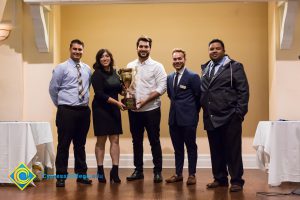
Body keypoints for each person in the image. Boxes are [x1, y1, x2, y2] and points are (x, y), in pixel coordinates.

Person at [200, 39, 249, 192]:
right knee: (216, 150)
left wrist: (239, 113)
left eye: (217, 48)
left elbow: (243, 91)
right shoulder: (206, 68)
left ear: (223, 50)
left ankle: (236, 181)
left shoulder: (235, 67)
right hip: (211, 116)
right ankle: (220, 178)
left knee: (232, 150)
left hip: (230, 116)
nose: (214, 51)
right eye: (211, 49)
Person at [49, 39, 92, 187]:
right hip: (66, 111)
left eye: (80, 49)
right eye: (75, 49)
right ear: (70, 49)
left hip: (84, 112)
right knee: (63, 144)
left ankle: (82, 175)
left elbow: (88, 88)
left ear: (83, 51)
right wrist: (61, 105)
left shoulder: (87, 69)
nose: (77, 52)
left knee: (80, 145)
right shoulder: (61, 68)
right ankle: (61, 176)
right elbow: (53, 89)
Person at [126, 35, 167, 183]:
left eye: (146, 47)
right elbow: (127, 87)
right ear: (137, 47)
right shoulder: (129, 65)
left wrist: (144, 101)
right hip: (134, 111)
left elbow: (162, 87)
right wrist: (127, 99)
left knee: (154, 141)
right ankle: (138, 170)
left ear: (150, 48)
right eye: (141, 46)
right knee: (136, 141)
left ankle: (157, 172)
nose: (143, 49)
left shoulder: (157, 66)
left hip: (152, 110)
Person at [165, 48, 201, 185]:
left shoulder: (193, 76)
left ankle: (192, 175)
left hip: (189, 119)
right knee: (177, 148)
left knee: (191, 147)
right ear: (172, 60)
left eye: (180, 58)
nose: (177, 61)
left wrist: (193, 113)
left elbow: (199, 97)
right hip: (173, 119)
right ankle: (178, 174)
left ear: (185, 59)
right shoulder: (169, 77)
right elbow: (171, 95)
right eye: (175, 59)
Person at [91, 49, 125, 184]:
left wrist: (125, 90)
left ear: (110, 58)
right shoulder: (97, 74)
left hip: (114, 109)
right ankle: (100, 170)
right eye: (102, 57)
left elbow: (119, 90)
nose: (105, 58)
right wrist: (117, 102)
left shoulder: (116, 73)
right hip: (101, 109)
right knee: (101, 140)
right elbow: (100, 94)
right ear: (99, 60)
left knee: (115, 139)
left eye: (107, 56)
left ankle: (115, 171)